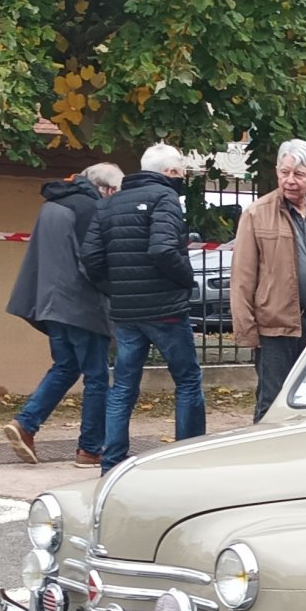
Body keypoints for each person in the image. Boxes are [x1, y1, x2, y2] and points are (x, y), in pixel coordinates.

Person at [81, 142, 205, 474]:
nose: (182, 178)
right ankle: (189, 456)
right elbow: (164, 249)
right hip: (165, 307)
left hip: (126, 312)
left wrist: (115, 287)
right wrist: (186, 278)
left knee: (123, 385)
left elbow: (91, 257)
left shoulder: (109, 203)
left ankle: (111, 460)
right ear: (170, 173)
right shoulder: (166, 198)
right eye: (181, 172)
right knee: (188, 380)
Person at [3, 163, 123, 467]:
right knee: (96, 377)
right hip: (82, 304)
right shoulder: (89, 209)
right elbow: (93, 261)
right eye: (116, 192)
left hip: (50, 302)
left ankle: (26, 424)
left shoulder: (53, 205)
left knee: (66, 366)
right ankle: (90, 449)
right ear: (106, 189)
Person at [230, 139, 306, 423]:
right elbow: (242, 277)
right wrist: (247, 330)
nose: (290, 180)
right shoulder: (256, 213)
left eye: (298, 174)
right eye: (284, 172)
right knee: (272, 402)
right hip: (274, 327)